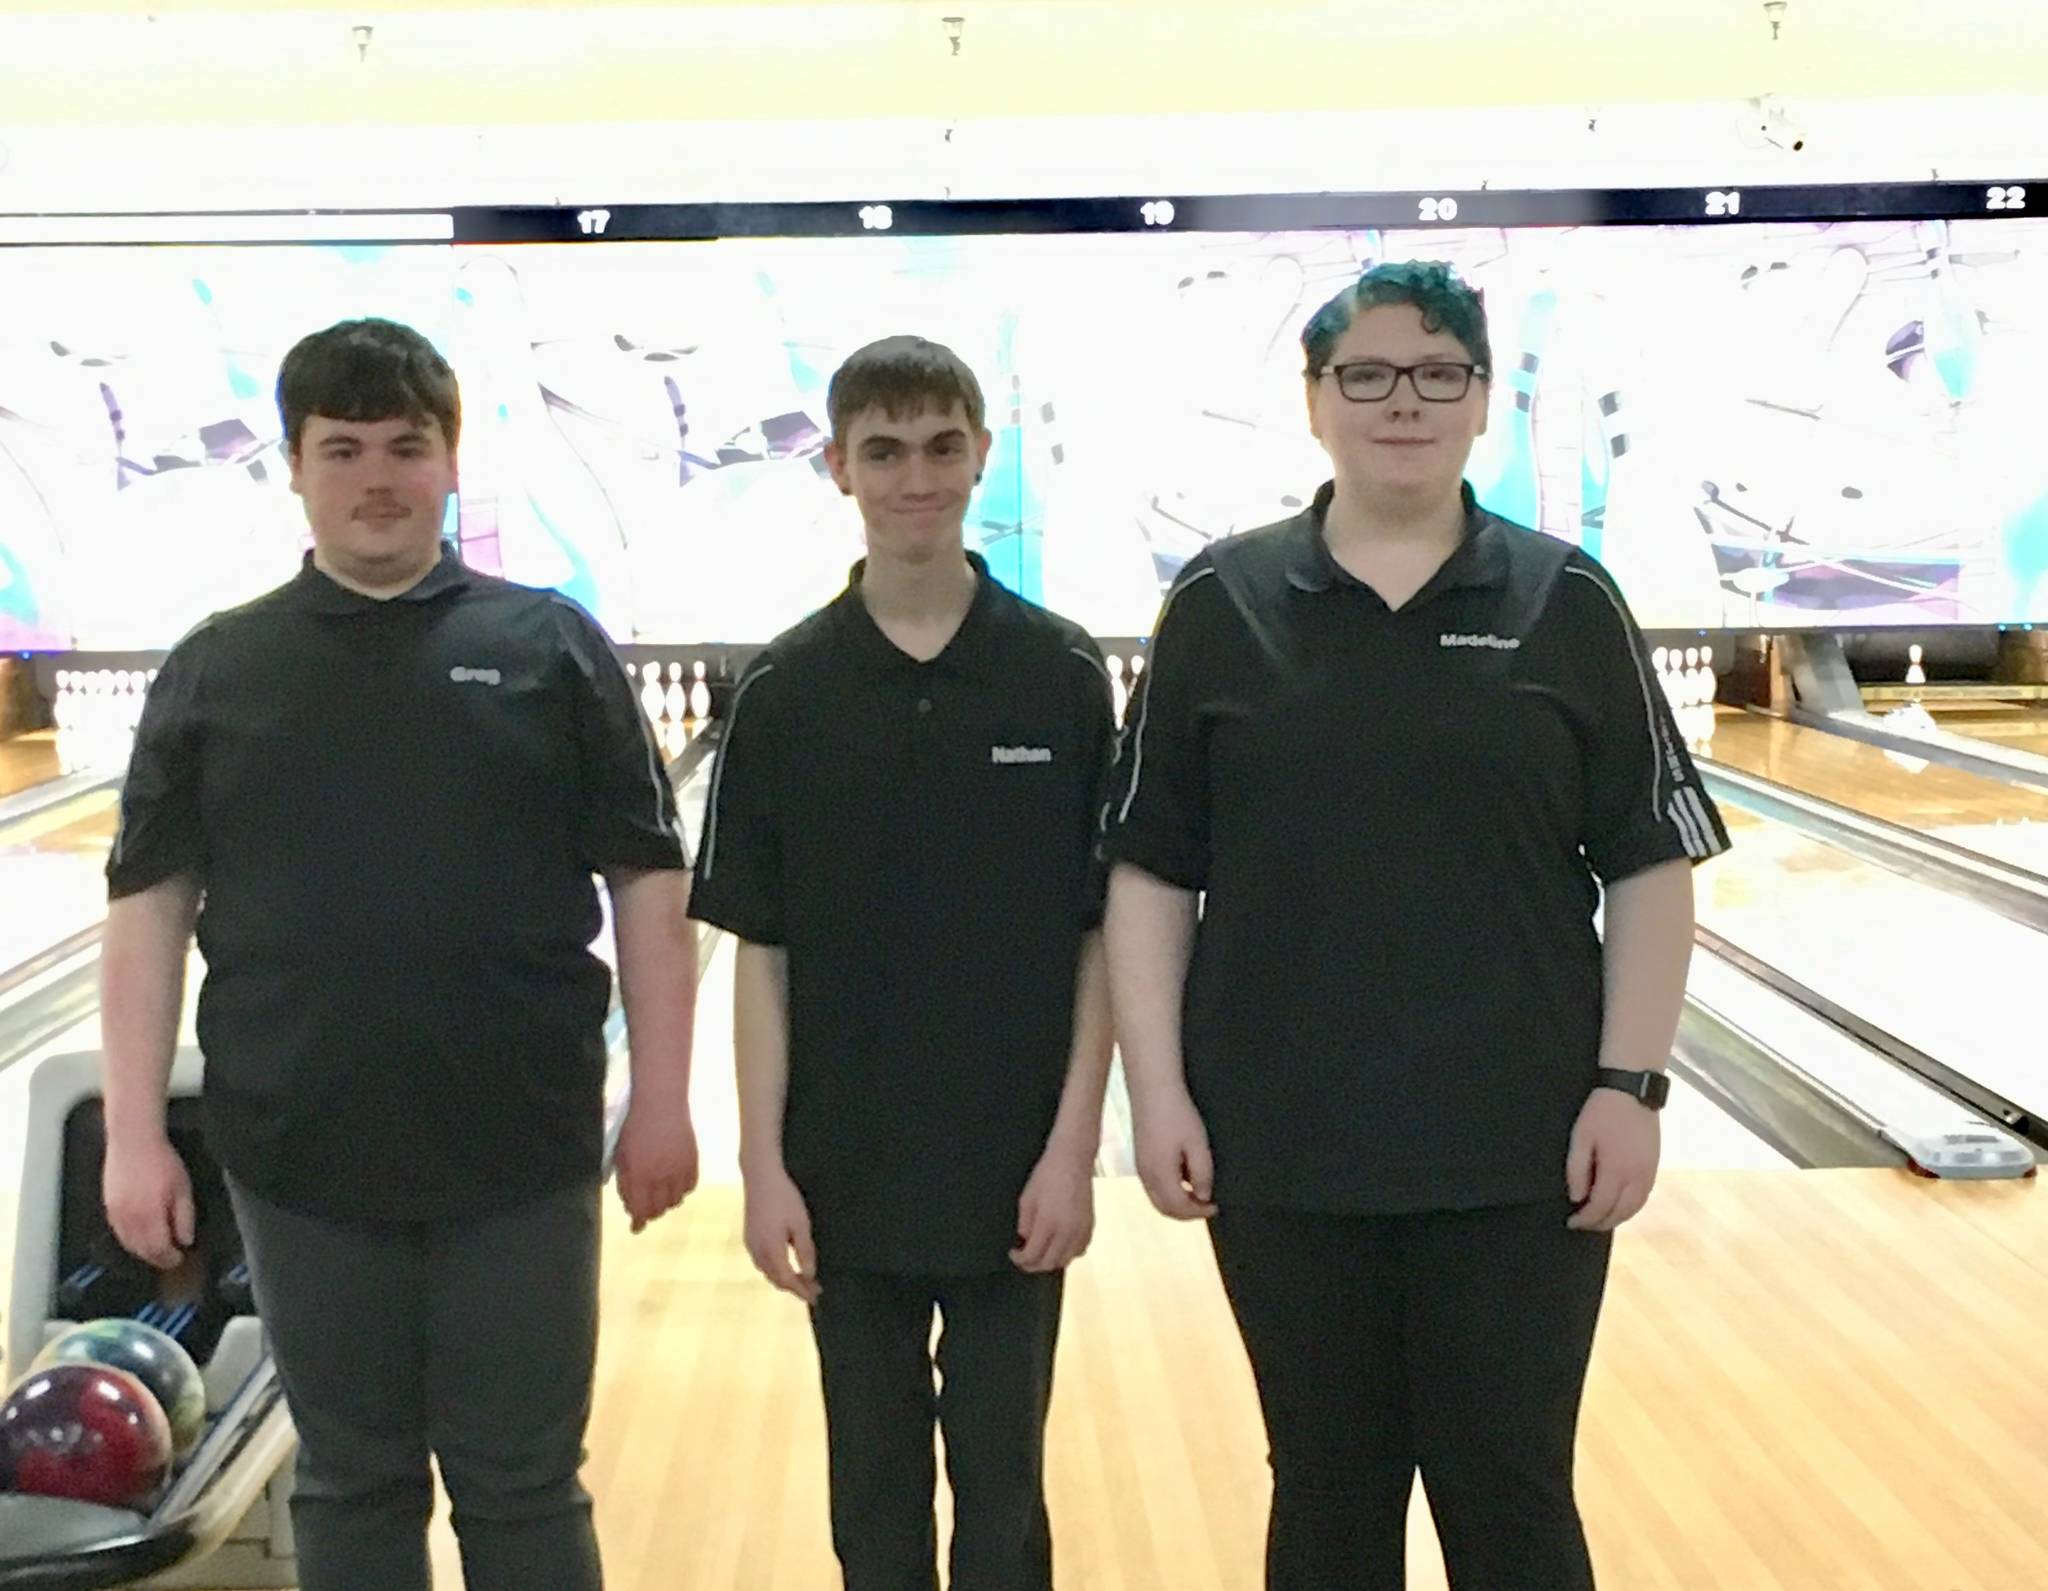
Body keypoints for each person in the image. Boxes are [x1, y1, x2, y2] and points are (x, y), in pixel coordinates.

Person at [1100, 261, 1730, 1590]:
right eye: (1370, 375)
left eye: (1439, 372)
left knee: (1509, 1486)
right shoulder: (1220, 603)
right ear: (1316, 401)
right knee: (1326, 1488)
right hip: (1286, 1145)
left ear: (1483, 400)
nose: (1406, 402)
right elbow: (1150, 871)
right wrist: (1154, 1095)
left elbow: (1652, 860)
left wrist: (1632, 1083)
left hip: (1521, 1145)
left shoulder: (1568, 599)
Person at [99, 317, 700, 1591]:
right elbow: (148, 904)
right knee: (351, 1477)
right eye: (344, 448)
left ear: (449, 463)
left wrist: (659, 1098)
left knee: (523, 1481)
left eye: (406, 446)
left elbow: (648, 877)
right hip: (298, 1149)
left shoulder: (549, 646)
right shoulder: (219, 667)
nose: (377, 476)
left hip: (520, 1146)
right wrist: (137, 1130)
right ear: (296, 466)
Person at [687, 334, 1116, 1591]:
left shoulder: (1062, 674)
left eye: (940, 447)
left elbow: (1101, 936)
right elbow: (756, 959)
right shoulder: (783, 690)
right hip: (842, 1168)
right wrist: (762, 1168)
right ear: (836, 467)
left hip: (1011, 1165)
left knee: (1003, 1492)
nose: (914, 476)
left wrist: (1072, 1148)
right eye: (883, 450)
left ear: (983, 456)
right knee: (870, 1495)